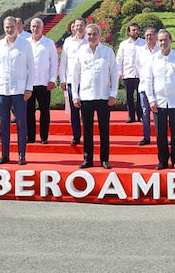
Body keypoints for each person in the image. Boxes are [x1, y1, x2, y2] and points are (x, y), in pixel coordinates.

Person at [72, 23, 118, 169]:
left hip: (103, 96)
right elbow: (75, 76)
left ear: (99, 36)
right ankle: (88, 159)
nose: (91, 37)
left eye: (94, 34)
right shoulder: (81, 52)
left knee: (104, 130)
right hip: (86, 96)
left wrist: (113, 94)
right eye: (89, 34)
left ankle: (104, 159)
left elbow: (114, 74)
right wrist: (75, 95)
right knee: (87, 131)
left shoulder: (108, 52)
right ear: (86, 36)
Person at [143, 29, 175, 170]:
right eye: (160, 40)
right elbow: (148, 81)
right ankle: (162, 161)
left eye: (165, 39)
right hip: (159, 102)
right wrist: (151, 99)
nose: (163, 42)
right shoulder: (153, 59)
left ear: (171, 40)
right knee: (160, 134)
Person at [0, 16, 33, 165]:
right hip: (3, 89)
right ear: (4, 28)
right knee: (4, 124)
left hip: (20, 90)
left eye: (12, 26)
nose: (9, 29)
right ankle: (5, 154)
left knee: (21, 123)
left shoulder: (25, 44)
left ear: (17, 26)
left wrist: (29, 88)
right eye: (7, 27)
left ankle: (22, 154)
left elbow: (31, 67)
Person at [27, 17, 58, 144]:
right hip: (29, 84)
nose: (35, 29)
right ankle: (31, 136)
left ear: (42, 28)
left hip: (44, 83)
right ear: (30, 28)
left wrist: (52, 79)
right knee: (29, 111)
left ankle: (44, 137)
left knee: (44, 111)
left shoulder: (49, 43)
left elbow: (54, 62)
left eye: (38, 26)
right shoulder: (25, 43)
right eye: (33, 26)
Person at [59, 18, 87, 145]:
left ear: (85, 26)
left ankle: (87, 136)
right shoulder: (68, 42)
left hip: (87, 82)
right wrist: (63, 79)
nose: (79, 28)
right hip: (71, 81)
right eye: (76, 26)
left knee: (87, 111)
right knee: (74, 112)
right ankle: (76, 136)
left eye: (81, 25)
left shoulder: (90, 40)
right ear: (73, 27)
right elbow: (63, 62)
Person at [116, 22, 145, 123]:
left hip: (141, 75)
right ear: (129, 32)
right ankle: (131, 116)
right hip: (128, 74)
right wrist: (119, 73)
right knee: (129, 97)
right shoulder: (124, 44)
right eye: (133, 30)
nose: (136, 32)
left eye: (137, 30)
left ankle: (141, 116)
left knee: (140, 96)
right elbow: (119, 59)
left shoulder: (144, 43)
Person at [135, 27, 159, 146]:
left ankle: (161, 136)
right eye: (147, 35)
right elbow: (138, 68)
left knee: (160, 113)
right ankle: (146, 137)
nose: (149, 37)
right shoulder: (140, 51)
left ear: (156, 36)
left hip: (158, 88)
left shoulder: (161, 50)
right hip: (144, 87)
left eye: (151, 35)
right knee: (145, 113)